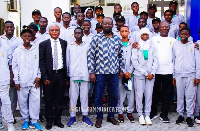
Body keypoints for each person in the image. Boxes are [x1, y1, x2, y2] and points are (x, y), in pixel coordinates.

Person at [87, 17, 124, 128]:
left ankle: (111, 116)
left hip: (114, 72)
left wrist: (121, 69)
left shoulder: (117, 39)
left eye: (109, 24)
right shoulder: (96, 38)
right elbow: (90, 56)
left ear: (112, 25)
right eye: (105, 24)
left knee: (114, 96)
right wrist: (91, 72)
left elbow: (120, 55)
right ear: (101, 24)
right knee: (98, 96)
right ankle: (99, 117)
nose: (107, 25)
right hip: (100, 72)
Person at [12, 28, 43, 130]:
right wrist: (16, 80)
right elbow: (15, 67)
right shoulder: (17, 50)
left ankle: (34, 121)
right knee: (22, 101)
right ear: (21, 37)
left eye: (29, 36)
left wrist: (38, 77)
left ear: (32, 38)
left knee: (35, 101)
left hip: (34, 81)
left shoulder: (36, 49)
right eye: (25, 36)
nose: (27, 38)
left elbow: (39, 64)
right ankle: (26, 119)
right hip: (22, 81)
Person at [39, 24, 67, 130]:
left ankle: (58, 120)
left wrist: (66, 77)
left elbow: (66, 59)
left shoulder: (64, 43)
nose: (54, 32)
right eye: (52, 30)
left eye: (56, 30)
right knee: (49, 99)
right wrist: (45, 77)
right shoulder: (43, 44)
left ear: (59, 32)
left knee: (59, 99)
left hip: (60, 74)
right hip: (49, 76)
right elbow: (41, 62)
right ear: (49, 32)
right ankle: (49, 121)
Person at [149, 21, 177, 123]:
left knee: (167, 94)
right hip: (155, 71)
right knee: (154, 93)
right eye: (162, 27)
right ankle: (153, 112)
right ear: (159, 28)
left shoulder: (173, 41)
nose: (164, 28)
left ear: (169, 28)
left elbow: (176, 56)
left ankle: (164, 114)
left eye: (166, 27)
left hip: (168, 71)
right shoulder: (153, 39)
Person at [173, 27, 200, 127]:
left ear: (189, 35)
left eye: (186, 34)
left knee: (190, 97)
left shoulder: (193, 46)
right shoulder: (175, 46)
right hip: (179, 75)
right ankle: (180, 115)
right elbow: (174, 61)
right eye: (182, 34)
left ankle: (189, 116)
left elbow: (197, 62)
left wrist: (197, 76)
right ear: (179, 35)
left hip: (191, 75)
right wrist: (174, 76)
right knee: (180, 96)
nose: (184, 36)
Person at [67, 27, 93, 127]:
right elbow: (67, 60)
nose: (78, 34)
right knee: (73, 98)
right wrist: (68, 74)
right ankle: (72, 116)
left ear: (83, 34)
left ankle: (85, 116)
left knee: (84, 97)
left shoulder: (87, 45)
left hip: (85, 75)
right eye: (76, 33)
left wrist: (90, 72)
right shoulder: (70, 46)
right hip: (73, 75)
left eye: (80, 33)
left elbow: (90, 60)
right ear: (74, 34)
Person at [132, 28, 158, 125]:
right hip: (139, 74)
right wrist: (145, 73)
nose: (145, 36)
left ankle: (147, 114)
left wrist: (152, 72)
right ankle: (140, 115)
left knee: (149, 95)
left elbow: (156, 60)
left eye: (147, 35)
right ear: (140, 35)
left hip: (151, 75)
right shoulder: (136, 46)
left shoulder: (152, 46)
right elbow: (134, 62)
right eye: (143, 34)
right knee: (139, 95)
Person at [0, 21, 22, 124]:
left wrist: (13, 76)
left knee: (13, 97)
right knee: (2, 98)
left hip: (14, 70)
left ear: (14, 28)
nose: (9, 29)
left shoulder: (18, 41)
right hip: (3, 71)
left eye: (11, 27)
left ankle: (11, 116)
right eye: (7, 27)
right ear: (4, 28)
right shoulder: (1, 40)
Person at [117, 26, 135, 123]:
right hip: (121, 74)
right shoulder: (117, 43)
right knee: (120, 93)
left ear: (129, 32)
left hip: (130, 74)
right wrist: (123, 71)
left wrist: (130, 72)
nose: (124, 32)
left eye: (126, 31)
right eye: (122, 31)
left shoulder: (133, 44)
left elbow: (134, 58)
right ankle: (120, 112)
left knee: (130, 93)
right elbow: (117, 58)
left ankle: (129, 112)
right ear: (119, 32)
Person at [0, 35, 15, 131]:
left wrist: (11, 77)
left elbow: (10, 63)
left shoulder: (5, 47)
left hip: (3, 78)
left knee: (6, 101)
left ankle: (10, 123)